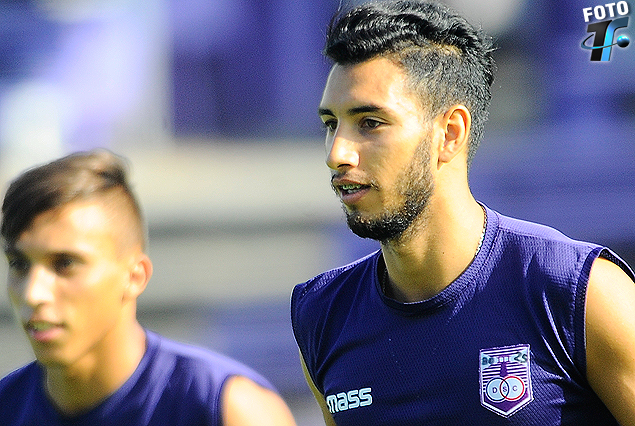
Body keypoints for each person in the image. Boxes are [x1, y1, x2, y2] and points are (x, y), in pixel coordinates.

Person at [290, 1, 635, 425]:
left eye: (370, 123)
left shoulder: (577, 291)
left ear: (450, 133)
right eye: (331, 124)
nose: (337, 154)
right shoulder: (321, 314)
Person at [0, 150, 297, 426]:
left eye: (65, 264)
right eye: (19, 264)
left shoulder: (230, 408)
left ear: (135, 277)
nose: (33, 293)